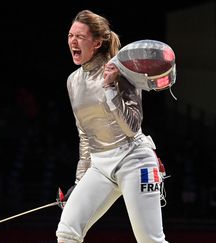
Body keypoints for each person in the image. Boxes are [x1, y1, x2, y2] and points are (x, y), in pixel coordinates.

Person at [56, 10, 168, 243]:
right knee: (67, 232)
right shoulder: (73, 81)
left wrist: (109, 88)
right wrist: (79, 182)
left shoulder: (121, 70)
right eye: (70, 35)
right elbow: (85, 134)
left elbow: (132, 127)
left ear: (97, 42)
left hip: (134, 159)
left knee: (150, 240)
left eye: (80, 37)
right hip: (99, 165)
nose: (73, 42)